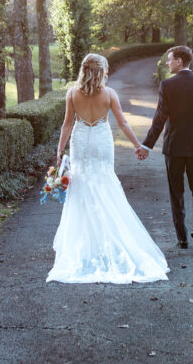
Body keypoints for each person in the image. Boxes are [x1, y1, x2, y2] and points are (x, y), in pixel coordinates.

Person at [46, 53, 169, 285]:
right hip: (101, 141)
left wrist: (60, 150)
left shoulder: (72, 93)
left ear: (83, 69)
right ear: (102, 71)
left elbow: (67, 124)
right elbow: (122, 122)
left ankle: (85, 242)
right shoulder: (110, 94)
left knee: (81, 183)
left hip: (81, 140)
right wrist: (137, 145)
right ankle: (111, 236)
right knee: (104, 180)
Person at [137, 45, 193, 251]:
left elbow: (159, 119)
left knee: (176, 192)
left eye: (170, 59)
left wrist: (147, 145)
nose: (167, 62)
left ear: (179, 61)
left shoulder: (167, 86)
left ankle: (182, 238)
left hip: (174, 147)